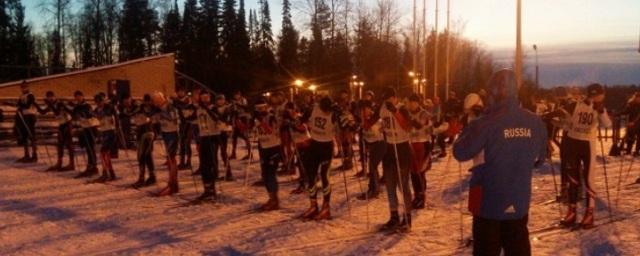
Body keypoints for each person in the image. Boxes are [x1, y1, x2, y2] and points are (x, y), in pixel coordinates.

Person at [453, 69, 547, 256]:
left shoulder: (485, 123)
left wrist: (471, 126)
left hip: (488, 203)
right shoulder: (535, 121)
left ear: (494, 92)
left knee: (487, 249)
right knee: (518, 247)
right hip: (519, 200)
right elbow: (540, 158)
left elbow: (460, 151)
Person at [558, 83, 612, 229]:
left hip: (587, 145)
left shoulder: (599, 108)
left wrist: (601, 111)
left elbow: (607, 124)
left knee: (588, 179)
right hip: (574, 143)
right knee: (573, 178)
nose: (599, 97)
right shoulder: (576, 105)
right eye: (597, 94)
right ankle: (572, 210)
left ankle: (589, 213)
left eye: (600, 95)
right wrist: (560, 123)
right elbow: (566, 123)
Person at [379, 87, 413, 232]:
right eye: (385, 99)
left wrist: (395, 111)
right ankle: (394, 215)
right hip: (389, 148)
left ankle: (407, 217)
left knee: (403, 185)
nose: (387, 102)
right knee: (390, 184)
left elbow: (407, 126)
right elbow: (380, 123)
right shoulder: (383, 109)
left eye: (389, 99)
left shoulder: (402, 108)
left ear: (394, 98)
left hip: (402, 147)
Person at [300, 96, 340, 220]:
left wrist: (343, 116)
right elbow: (301, 121)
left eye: (328, 110)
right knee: (311, 175)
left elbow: (347, 126)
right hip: (314, 145)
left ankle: (326, 207)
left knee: (324, 176)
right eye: (325, 110)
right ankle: (313, 205)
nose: (326, 112)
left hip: (327, 147)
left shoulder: (334, 113)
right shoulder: (313, 109)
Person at [254, 99, 282, 211]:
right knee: (265, 174)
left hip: (273, 147)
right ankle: (271, 198)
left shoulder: (271, 117)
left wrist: (261, 121)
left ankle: (275, 200)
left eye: (263, 107)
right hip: (263, 147)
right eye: (258, 108)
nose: (261, 110)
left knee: (270, 174)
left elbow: (271, 131)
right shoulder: (256, 118)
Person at [407, 94, 432, 210]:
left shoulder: (424, 114)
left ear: (418, 103)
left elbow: (419, 126)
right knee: (413, 172)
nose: (411, 104)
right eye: (410, 102)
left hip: (422, 144)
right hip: (411, 145)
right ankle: (417, 195)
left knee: (420, 172)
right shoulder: (408, 113)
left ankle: (421, 197)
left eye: (413, 102)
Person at [152, 92, 180, 196]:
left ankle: (173, 184)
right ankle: (172, 182)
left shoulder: (169, 107)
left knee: (171, 158)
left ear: (161, 99)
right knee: (169, 158)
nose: (155, 103)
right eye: (154, 101)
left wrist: (161, 113)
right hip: (165, 133)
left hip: (173, 133)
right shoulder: (159, 109)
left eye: (156, 100)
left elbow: (173, 118)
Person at [38, 91, 75, 171]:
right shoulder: (52, 104)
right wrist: (35, 104)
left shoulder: (59, 103)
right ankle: (59, 162)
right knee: (60, 144)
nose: (50, 98)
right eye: (48, 97)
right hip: (61, 124)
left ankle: (72, 163)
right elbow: (43, 112)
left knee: (69, 144)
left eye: (51, 96)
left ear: (54, 96)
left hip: (67, 124)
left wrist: (49, 104)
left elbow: (57, 112)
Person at [357, 100, 385, 200]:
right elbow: (365, 135)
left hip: (380, 144)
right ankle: (374, 188)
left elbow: (376, 129)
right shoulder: (363, 119)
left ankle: (373, 190)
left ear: (370, 108)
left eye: (365, 109)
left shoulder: (374, 119)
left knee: (372, 166)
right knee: (372, 167)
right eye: (361, 110)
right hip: (372, 144)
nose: (363, 112)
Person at [195, 91, 221, 201]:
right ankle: (207, 189)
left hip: (213, 137)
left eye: (207, 97)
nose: (205, 99)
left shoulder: (213, 108)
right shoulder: (198, 109)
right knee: (204, 165)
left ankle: (212, 189)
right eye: (203, 97)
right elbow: (189, 118)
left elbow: (217, 118)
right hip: (203, 137)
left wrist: (207, 109)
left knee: (211, 163)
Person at [131, 94, 157, 188]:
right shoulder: (140, 108)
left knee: (145, 155)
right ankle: (150, 176)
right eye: (145, 100)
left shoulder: (154, 108)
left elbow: (154, 117)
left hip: (149, 133)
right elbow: (133, 115)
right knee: (144, 155)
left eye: (148, 100)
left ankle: (145, 177)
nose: (147, 102)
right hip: (141, 133)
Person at [91, 94, 118, 183]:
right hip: (103, 131)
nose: (99, 103)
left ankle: (106, 173)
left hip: (110, 131)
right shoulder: (97, 109)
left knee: (104, 152)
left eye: (100, 101)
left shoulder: (108, 108)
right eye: (97, 102)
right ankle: (110, 172)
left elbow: (111, 114)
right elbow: (95, 116)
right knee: (105, 153)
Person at [11, 82, 39, 163]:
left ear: (28, 87)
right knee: (24, 135)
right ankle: (26, 155)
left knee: (31, 135)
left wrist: (20, 106)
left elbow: (27, 105)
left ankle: (34, 155)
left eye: (25, 87)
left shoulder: (30, 95)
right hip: (24, 116)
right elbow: (18, 105)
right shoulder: (22, 96)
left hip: (30, 116)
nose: (23, 88)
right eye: (22, 87)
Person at [175, 88, 195, 170]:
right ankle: (182, 162)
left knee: (187, 143)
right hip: (181, 124)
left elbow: (184, 105)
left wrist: (175, 101)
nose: (181, 93)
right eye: (179, 91)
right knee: (182, 143)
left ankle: (189, 162)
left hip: (189, 124)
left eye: (182, 91)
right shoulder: (177, 100)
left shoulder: (187, 100)